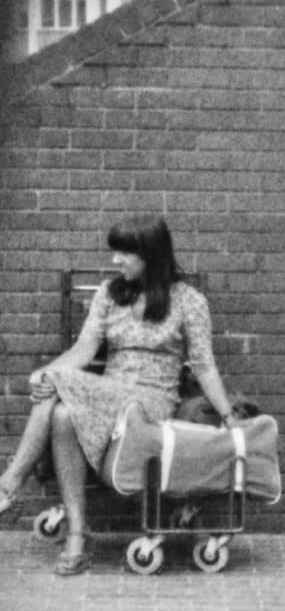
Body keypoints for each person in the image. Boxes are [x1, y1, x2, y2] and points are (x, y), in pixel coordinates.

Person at [0, 217, 237, 575]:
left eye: (124, 253)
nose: (116, 261)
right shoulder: (110, 295)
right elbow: (84, 349)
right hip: (108, 398)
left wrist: (230, 416)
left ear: (150, 255)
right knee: (63, 416)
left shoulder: (190, 301)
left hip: (152, 404)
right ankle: (78, 536)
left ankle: (8, 486)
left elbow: (204, 367)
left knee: (57, 384)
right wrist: (51, 372)